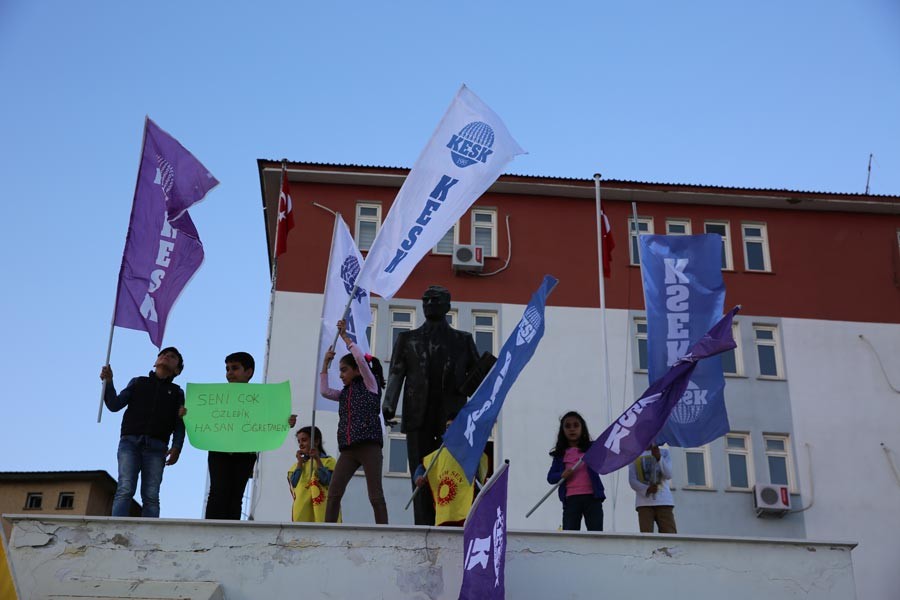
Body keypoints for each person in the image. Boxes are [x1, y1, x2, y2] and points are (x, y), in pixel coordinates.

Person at [382, 285, 480, 525]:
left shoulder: (463, 340)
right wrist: (388, 405)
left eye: (435, 300)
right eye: (425, 300)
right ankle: (423, 525)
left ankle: (452, 520)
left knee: (452, 473)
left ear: (447, 306)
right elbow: (396, 372)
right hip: (418, 415)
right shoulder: (407, 339)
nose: (429, 304)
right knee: (419, 475)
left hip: (452, 417)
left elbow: (477, 379)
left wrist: (482, 377)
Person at [198, 352, 296, 520]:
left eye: (235, 368)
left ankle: (231, 532)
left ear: (249, 372)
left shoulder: (259, 399)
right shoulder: (217, 397)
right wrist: (187, 413)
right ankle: (210, 530)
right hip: (219, 450)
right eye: (227, 369)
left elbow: (270, 419)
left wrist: (286, 421)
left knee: (236, 494)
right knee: (217, 491)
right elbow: (201, 415)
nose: (229, 372)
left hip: (245, 453)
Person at [100, 347, 185, 518]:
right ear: (155, 362)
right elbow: (115, 404)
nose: (166, 356)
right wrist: (108, 382)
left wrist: (177, 446)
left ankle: (149, 533)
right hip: (130, 442)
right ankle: (117, 528)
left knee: (151, 495)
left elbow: (179, 423)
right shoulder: (138, 382)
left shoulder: (177, 392)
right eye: (163, 354)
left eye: (172, 357)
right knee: (125, 487)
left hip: (157, 446)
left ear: (177, 369)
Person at [321, 319, 389, 524]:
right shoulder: (343, 394)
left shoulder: (370, 385)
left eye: (343, 370)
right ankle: (327, 530)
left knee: (375, 495)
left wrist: (345, 337)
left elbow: (360, 358)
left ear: (357, 371)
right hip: (349, 449)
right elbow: (324, 391)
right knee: (333, 493)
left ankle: (383, 532)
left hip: (369, 446)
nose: (340, 375)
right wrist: (325, 364)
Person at [413, 416, 489, 527]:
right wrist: (418, 477)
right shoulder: (438, 454)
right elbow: (423, 467)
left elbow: (479, 479)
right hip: (445, 514)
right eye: (448, 427)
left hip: (467, 512)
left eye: (454, 426)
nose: (451, 430)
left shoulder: (471, 453)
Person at [546, 411, 606, 531]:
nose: (572, 429)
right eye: (567, 426)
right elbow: (550, 478)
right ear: (562, 431)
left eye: (576, 425)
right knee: (570, 534)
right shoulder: (560, 454)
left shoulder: (592, 449)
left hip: (592, 497)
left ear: (582, 428)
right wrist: (562, 475)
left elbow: (604, 459)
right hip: (571, 499)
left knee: (596, 533)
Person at [287, 426, 336, 523]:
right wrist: (300, 463)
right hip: (302, 512)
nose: (301, 444)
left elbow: (326, 480)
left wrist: (317, 460)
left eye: (304, 440)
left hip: (323, 511)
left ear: (316, 441)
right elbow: (294, 483)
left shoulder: (328, 461)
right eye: (299, 441)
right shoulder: (296, 466)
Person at [628, 443, 677, 534]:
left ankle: (669, 549)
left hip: (664, 501)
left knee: (669, 534)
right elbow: (632, 480)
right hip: (644, 503)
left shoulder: (664, 452)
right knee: (646, 536)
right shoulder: (634, 455)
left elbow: (668, 474)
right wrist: (646, 489)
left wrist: (659, 458)